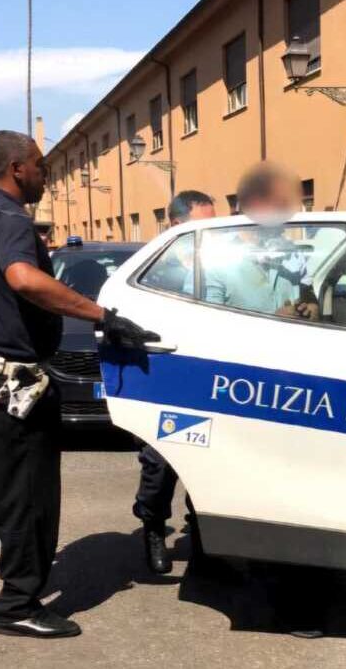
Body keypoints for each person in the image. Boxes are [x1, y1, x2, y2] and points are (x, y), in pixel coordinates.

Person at [0, 130, 157, 639]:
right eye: (39, 165)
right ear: (16, 168)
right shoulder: (11, 218)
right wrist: (102, 315)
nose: (45, 174)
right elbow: (23, 278)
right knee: (29, 498)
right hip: (12, 384)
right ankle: (18, 605)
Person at [134, 190, 213, 574]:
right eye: (202, 225)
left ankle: (204, 539)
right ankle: (152, 531)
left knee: (210, 463)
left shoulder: (217, 266)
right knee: (160, 465)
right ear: (176, 226)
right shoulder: (154, 270)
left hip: (209, 381)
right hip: (164, 382)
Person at [203, 163, 319, 320]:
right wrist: (273, 319)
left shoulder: (292, 253)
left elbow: (311, 300)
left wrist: (308, 311)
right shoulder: (217, 256)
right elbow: (207, 323)